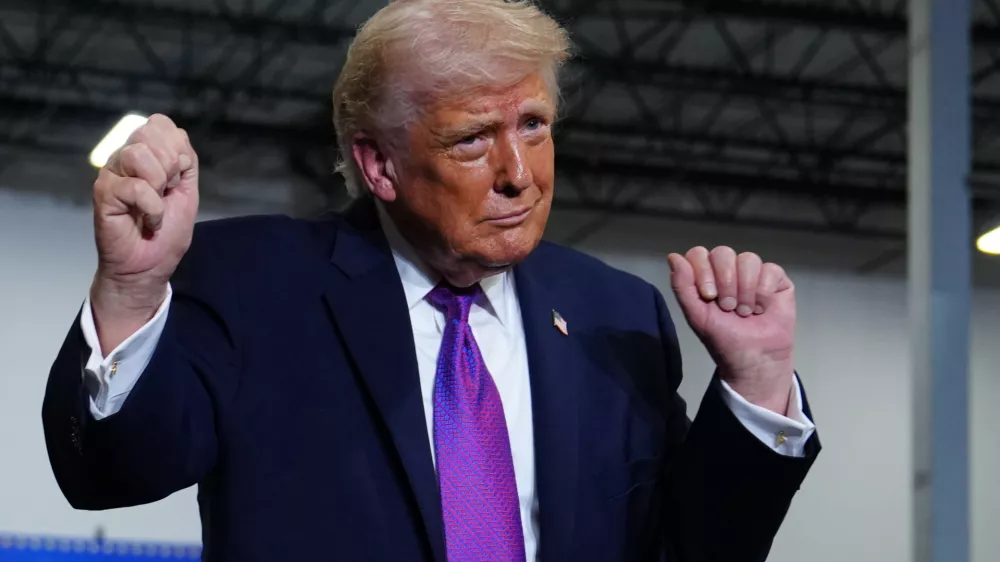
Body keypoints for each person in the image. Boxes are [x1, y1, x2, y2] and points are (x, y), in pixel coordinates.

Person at [42, 1, 820, 560]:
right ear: (380, 165)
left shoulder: (616, 315)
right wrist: (132, 293)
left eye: (534, 126)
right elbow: (110, 474)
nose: (519, 174)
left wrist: (756, 382)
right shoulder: (254, 283)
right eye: (473, 139)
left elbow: (690, 547)